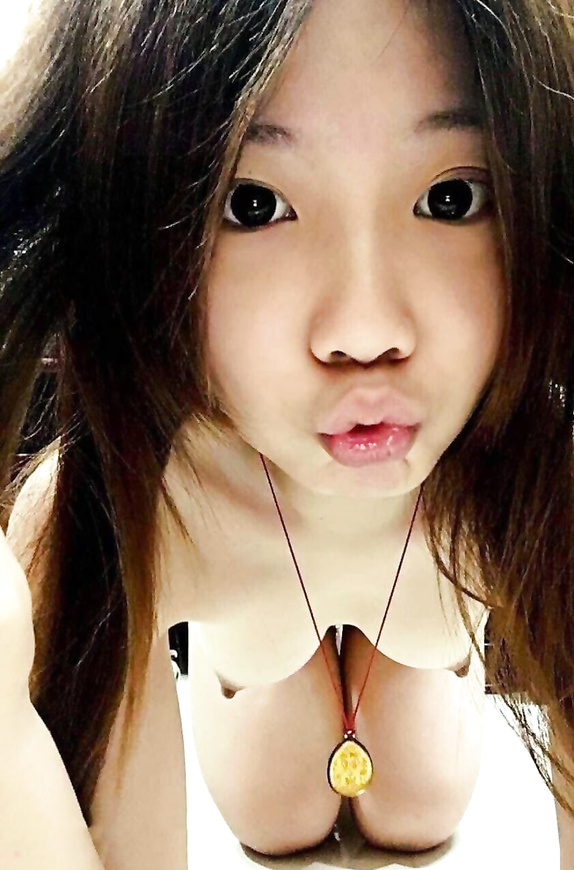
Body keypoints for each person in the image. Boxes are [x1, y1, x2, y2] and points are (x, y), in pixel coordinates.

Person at [1, 0, 574, 866]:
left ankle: (415, 656)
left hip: (426, 620)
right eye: (254, 203)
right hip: (246, 618)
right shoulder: (134, 503)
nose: (364, 332)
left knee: (416, 802)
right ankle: (240, 664)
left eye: (450, 197)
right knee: (280, 812)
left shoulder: (546, 475)